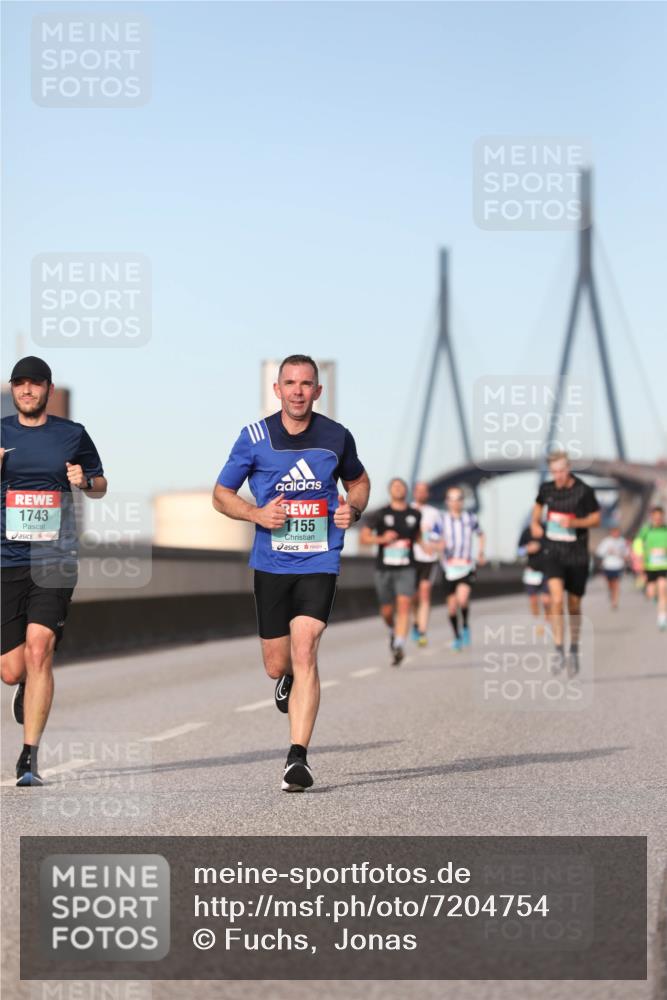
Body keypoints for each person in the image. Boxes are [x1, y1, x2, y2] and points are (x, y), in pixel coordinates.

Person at [213, 355, 369, 791]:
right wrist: (255, 513)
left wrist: (352, 509)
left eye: (307, 384)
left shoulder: (336, 437)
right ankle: (284, 681)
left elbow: (358, 481)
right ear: (277, 389)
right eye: (290, 383)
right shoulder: (254, 437)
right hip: (271, 564)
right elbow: (221, 494)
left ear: (318, 391)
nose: (298, 391)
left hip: (320, 560)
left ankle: (297, 758)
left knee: (306, 650)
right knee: (277, 662)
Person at [1, 357, 107, 786]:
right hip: (6, 559)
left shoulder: (71, 435)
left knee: (40, 648)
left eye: (35, 384)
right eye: (20, 384)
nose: (28, 391)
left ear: (47, 388)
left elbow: (101, 485)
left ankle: (29, 757)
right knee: (11, 668)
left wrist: (84, 481)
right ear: (13, 389)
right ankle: (25, 686)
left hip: (55, 558)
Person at [531, 451, 600, 676]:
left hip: (577, 553)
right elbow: (537, 509)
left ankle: (574, 648)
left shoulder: (584, 490)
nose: (558, 476)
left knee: (574, 605)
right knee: (556, 599)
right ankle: (559, 648)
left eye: (561, 471)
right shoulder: (546, 489)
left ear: (568, 468)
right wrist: (535, 524)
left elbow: (596, 518)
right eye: (554, 472)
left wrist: (574, 521)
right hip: (553, 551)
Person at [360, 478, 421, 666]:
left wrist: (429, 547)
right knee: (387, 610)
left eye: (401, 486)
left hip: (407, 566)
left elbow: (418, 537)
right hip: (384, 568)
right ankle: (393, 631)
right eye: (395, 486)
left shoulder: (415, 514)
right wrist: (382, 538)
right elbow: (364, 538)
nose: (398, 489)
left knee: (404, 604)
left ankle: (399, 644)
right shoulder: (380, 514)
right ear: (389, 491)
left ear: (406, 490)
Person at [431, 487, 486, 651]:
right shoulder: (441, 520)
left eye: (459, 498)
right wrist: (438, 545)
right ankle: (457, 636)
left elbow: (481, 534)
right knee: (452, 607)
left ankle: (466, 626)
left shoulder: (470, 518)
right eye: (452, 499)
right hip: (448, 568)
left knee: (462, 599)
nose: (456, 502)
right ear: (447, 502)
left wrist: (481, 553)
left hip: (466, 565)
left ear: (463, 501)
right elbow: (432, 540)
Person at [410, 481, 442, 647]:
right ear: (414, 492)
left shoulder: (434, 513)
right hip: (410, 557)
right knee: (413, 596)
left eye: (424, 491)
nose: (421, 494)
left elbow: (440, 535)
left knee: (425, 593)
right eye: (418, 490)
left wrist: (437, 547)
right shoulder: (409, 511)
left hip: (429, 559)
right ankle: (416, 622)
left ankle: (422, 631)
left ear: (428, 494)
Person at [636, 506, 667, 630]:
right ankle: (656, 598)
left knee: (663, 589)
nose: (658, 519)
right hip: (650, 565)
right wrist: (640, 556)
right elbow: (637, 543)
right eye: (656, 517)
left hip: (664, 565)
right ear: (652, 517)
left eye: (660, 517)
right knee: (651, 593)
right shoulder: (646, 530)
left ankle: (662, 618)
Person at [517, 522, 551, 633]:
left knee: (546, 600)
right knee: (533, 600)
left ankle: (546, 620)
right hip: (532, 572)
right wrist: (527, 549)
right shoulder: (526, 532)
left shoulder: (547, 529)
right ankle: (538, 623)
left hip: (546, 570)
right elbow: (519, 551)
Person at [595, 526, 629, 610]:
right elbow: (599, 552)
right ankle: (611, 592)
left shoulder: (622, 541)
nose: (616, 534)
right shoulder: (606, 541)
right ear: (611, 532)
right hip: (608, 565)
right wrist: (607, 551)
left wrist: (624, 556)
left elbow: (627, 552)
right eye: (614, 532)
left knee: (616, 583)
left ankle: (615, 602)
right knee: (610, 583)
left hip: (618, 565)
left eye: (617, 532)